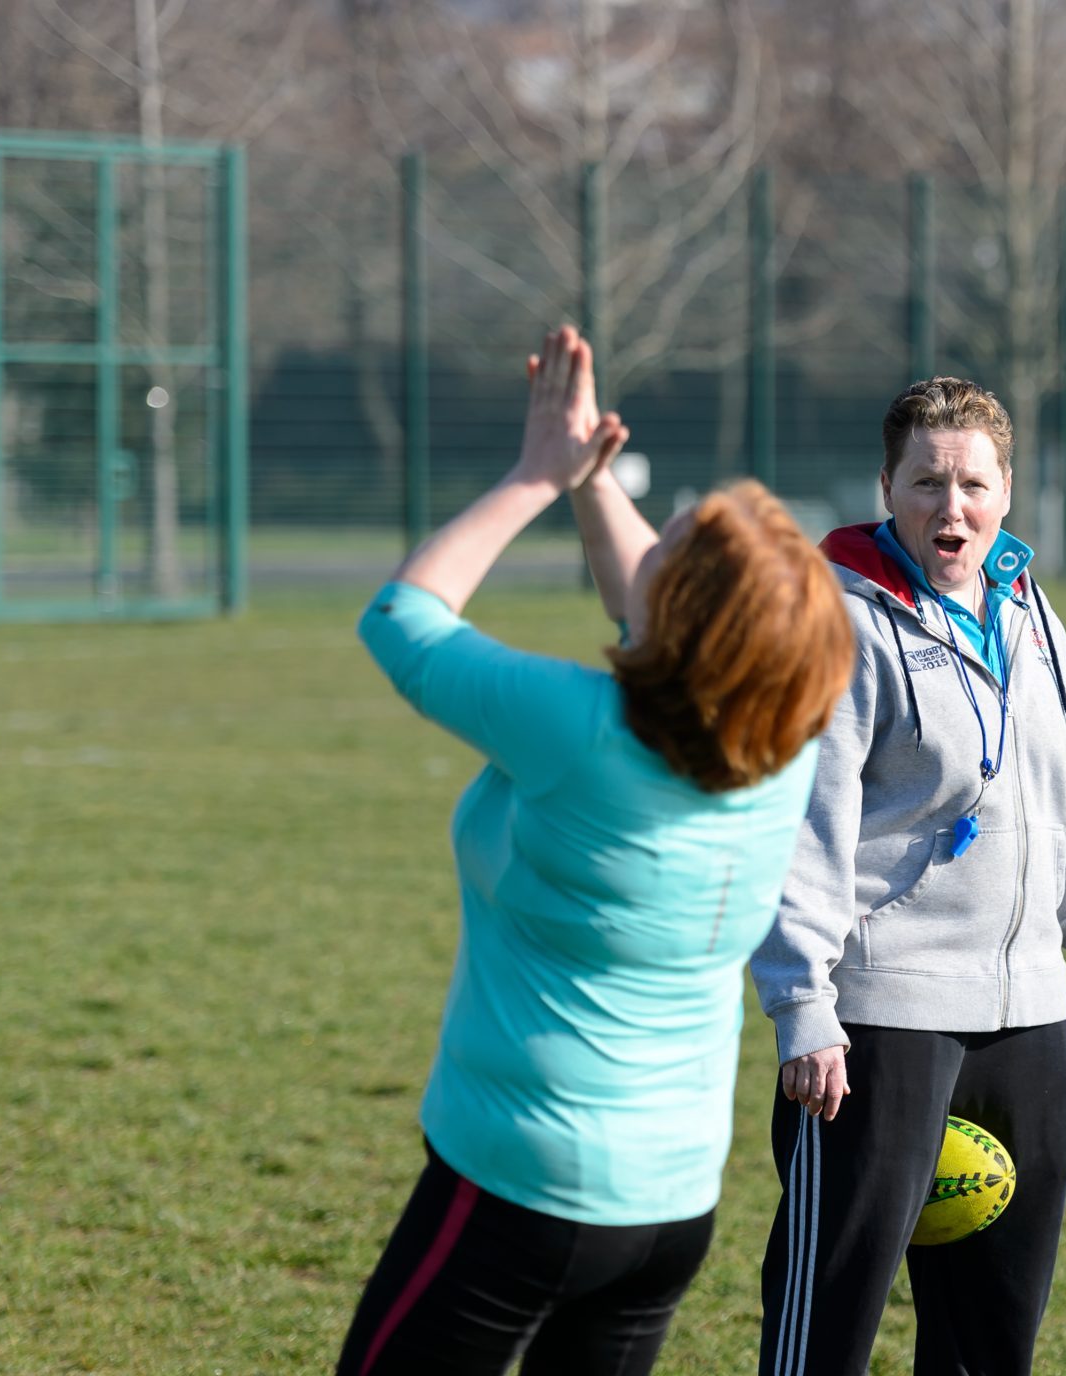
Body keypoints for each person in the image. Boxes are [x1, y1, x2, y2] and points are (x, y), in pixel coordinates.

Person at [338, 326, 854, 1375]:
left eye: (673, 536)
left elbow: (403, 620)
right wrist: (591, 479)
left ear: (683, 613)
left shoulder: (581, 727)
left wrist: (537, 476)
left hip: (518, 1189)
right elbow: (664, 618)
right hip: (667, 1208)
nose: (652, 532)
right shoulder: (782, 739)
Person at [749, 377, 1066, 1376]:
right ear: (885, 485)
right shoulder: (836, 621)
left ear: (1007, 489)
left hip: (1027, 1018)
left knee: (991, 1341)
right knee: (827, 1325)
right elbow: (802, 828)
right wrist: (805, 1007)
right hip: (881, 1022)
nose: (951, 506)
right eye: (927, 481)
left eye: (973, 482)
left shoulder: (1028, 608)